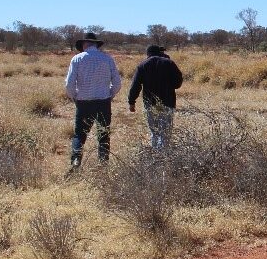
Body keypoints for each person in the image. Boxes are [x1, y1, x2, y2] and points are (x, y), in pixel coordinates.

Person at [64, 32, 122, 170]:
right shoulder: (108, 59)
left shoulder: (77, 59)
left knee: (79, 135)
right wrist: (110, 95)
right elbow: (118, 83)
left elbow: (69, 84)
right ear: (96, 44)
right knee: (103, 134)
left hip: (84, 102)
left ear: (85, 44)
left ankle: (76, 162)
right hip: (103, 102)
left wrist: (75, 97)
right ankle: (102, 164)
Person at [128, 45, 184, 149]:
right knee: (165, 133)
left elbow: (135, 86)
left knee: (154, 132)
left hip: (150, 104)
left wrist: (131, 102)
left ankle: (156, 156)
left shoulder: (142, 65)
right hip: (168, 102)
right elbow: (178, 83)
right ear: (160, 52)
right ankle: (163, 157)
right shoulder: (169, 63)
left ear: (148, 54)